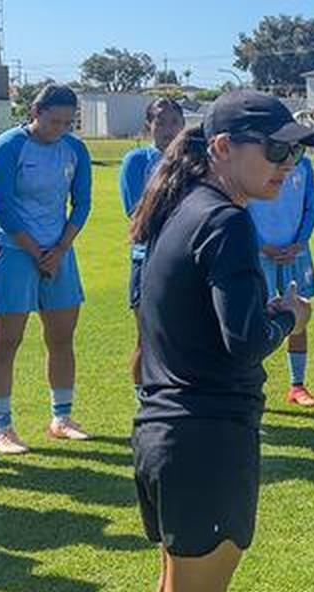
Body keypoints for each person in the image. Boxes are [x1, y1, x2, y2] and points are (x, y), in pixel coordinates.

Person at [130, 90, 314, 592]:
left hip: (166, 434)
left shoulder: (179, 208)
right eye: (274, 151)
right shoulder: (226, 219)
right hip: (205, 439)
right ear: (221, 148)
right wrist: (290, 314)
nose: (287, 166)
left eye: (294, 154)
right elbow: (245, 340)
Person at [0, 83, 92, 454]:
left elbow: (82, 203)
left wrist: (60, 248)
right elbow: (1, 204)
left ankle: (61, 419)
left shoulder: (75, 149)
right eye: (54, 121)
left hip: (59, 254)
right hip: (14, 252)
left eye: (67, 122)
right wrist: (35, 249)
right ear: (35, 112)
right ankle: (3, 428)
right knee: (5, 342)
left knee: (61, 338)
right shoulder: (9, 146)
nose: (60, 129)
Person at [120, 97, 185, 393]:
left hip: (184, 259)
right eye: (161, 123)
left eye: (174, 122)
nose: (168, 130)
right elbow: (136, 213)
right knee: (147, 335)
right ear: (149, 125)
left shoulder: (194, 161)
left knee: (183, 333)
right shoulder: (137, 162)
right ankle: (143, 398)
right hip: (147, 258)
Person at [246, 153, 314, 406]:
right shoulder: (256, 160)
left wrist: (300, 242)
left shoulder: (305, 165)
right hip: (259, 253)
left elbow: (311, 206)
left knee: (298, 312)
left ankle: (297, 386)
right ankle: (250, 386)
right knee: (254, 317)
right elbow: (241, 205)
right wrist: (261, 244)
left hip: (295, 252)